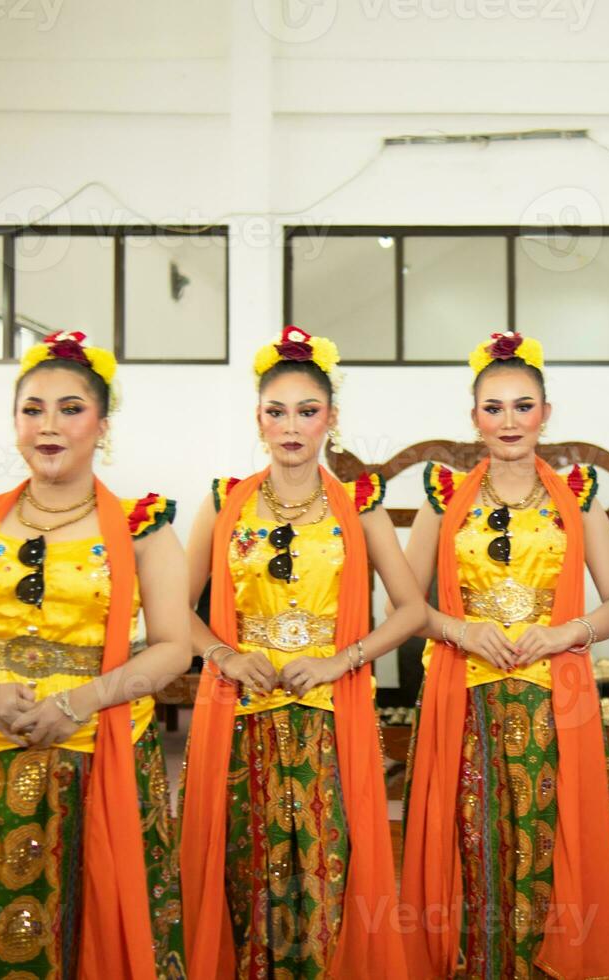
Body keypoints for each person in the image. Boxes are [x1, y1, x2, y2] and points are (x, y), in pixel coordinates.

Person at [0, 330, 190, 978]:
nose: (48, 425)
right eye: (32, 409)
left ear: (102, 425)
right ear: (14, 423)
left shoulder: (145, 525)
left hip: (100, 754)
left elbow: (173, 648)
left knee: (98, 927)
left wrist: (82, 700)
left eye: (69, 408)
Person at [179, 326, 424, 978]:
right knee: (244, 864)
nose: (291, 427)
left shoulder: (360, 504)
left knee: (327, 867)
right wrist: (225, 656)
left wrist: (341, 659)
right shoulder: (222, 501)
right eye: (276, 412)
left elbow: (412, 610)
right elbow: (174, 607)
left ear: (332, 420)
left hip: (329, 712)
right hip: (241, 710)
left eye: (307, 412)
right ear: (258, 419)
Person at [400, 330, 609, 979]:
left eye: (523, 405)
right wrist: (459, 629)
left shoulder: (577, 495)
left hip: (552, 700)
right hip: (464, 697)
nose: (509, 421)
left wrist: (563, 635)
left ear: (546, 413)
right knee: (470, 842)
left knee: (545, 845)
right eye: (494, 407)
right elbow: (404, 606)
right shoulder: (444, 496)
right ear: (474, 416)